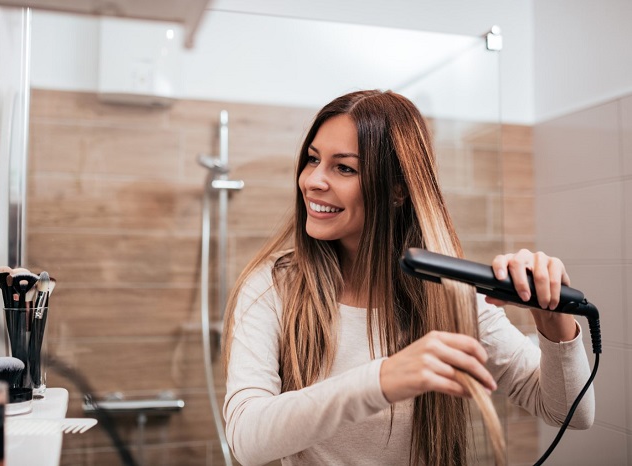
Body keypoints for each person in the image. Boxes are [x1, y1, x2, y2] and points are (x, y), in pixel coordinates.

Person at [221, 90, 594, 466]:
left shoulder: (451, 295)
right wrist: (381, 380)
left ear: (398, 189)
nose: (312, 180)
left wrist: (553, 322)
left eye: (344, 168)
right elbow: (245, 438)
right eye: (313, 159)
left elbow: (571, 413)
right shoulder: (273, 286)